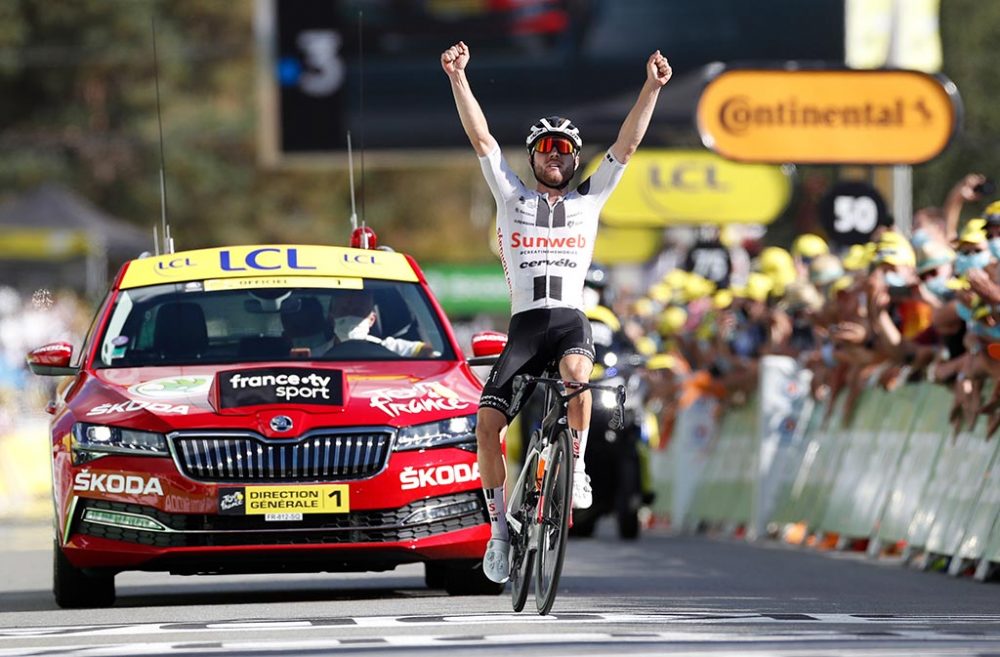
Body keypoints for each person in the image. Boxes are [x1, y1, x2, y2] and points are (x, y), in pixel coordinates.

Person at [441, 39, 672, 583]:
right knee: (487, 425)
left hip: (568, 319)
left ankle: (580, 466)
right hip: (524, 327)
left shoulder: (590, 199)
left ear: (573, 159)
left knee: (577, 376)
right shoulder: (509, 195)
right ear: (533, 157)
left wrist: (653, 88)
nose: (555, 154)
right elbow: (480, 137)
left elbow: (628, 144)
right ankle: (499, 533)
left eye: (564, 149)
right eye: (545, 147)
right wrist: (458, 79)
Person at [320, 290, 436, 358]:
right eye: (344, 310)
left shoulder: (387, 347)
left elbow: (431, 351)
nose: (351, 316)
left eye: (359, 311)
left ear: (372, 320)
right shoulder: (317, 354)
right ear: (331, 318)